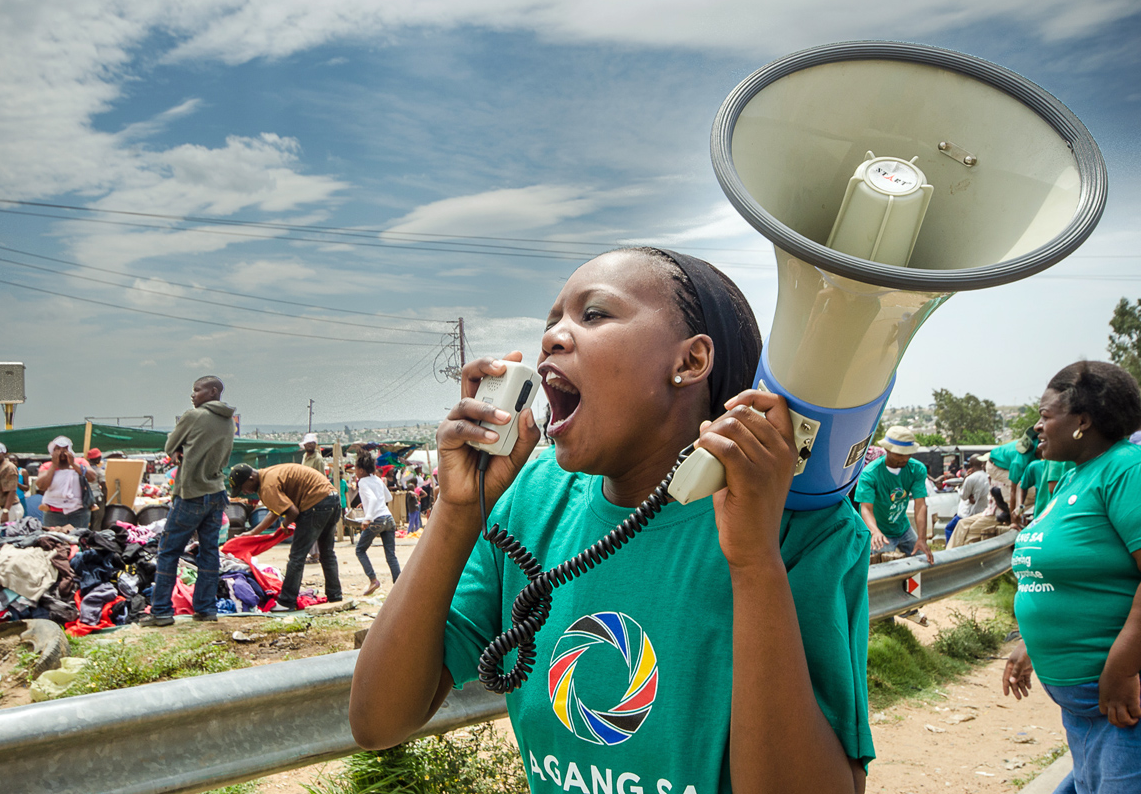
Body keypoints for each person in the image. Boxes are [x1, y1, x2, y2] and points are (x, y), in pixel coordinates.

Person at [349, 247, 874, 793]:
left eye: (594, 314)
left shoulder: (807, 527)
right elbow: (377, 721)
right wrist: (458, 510)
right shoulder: (529, 497)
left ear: (690, 362)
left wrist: (754, 559)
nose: (552, 336)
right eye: (552, 322)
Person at [1002, 360, 1141, 793]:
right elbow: (1068, 574)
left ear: (1082, 421)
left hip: (1120, 709)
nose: (1037, 428)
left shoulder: (1126, 470)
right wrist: (1033, 642)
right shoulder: (1074, 477)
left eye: (1045, 416)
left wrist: (1121, 669)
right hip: (1086, 713)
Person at [141, 375, 235, 627]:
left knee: (169, 551)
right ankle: (205, 608)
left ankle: (161, 610)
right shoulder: (229, 422)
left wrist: (181, 450)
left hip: (191, 493)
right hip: (216, 493)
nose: (192, 395)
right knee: (209, 552)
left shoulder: (194, 416)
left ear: (213, 391)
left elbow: (170, 444)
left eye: (197, 390)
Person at [230, 462, 343, 610]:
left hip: (316, 503)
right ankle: (335, 595)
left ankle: (286, 601)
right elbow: (275, 510)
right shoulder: (268, 474)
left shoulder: (267, 486)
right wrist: (253, 533)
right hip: (332, 498)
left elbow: (292, 512)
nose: (244, 492)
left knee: (297, 556)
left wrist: (284, 526)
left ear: (251, 478)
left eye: (242, 487)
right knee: (327, 552)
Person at [856, 426, 934, 563]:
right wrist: (875, 532)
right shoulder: (870, 474)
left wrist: (922, 538)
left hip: (903, 527)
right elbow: (866, 508)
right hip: (881, 530)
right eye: (899, 454)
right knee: (885, 565)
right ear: (887, 450)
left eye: (908, 454)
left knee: (922, 560)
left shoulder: (916, 469)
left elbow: (920, 505)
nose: (905, 459)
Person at [353, 450, 400, 597]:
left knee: (360, 550)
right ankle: (399, 587)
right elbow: (387, 497)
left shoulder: (362, 482)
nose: (354, 471)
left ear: (361, 470)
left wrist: (368, 517)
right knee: (391, 555)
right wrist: (365, 503)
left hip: (376, 519)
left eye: (355, 469)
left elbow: (373, 500)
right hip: (388, 517)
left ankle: (373, 580)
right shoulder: (377, 479)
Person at [35, 437, 96, 529]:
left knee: (78, 539)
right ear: (53, 451)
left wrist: (73, 464)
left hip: (79, 512)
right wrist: (54, 466)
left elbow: (92, 477)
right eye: (58, 449)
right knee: (54, 540)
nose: (62, 452)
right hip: (54, 513)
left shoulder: (80, 462)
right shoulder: (47, 466)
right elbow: (41, 486)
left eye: (65, 449)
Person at [943, 456, 990, 544]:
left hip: (968, 514)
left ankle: (950, 550)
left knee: (949, 528)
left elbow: (964, 496)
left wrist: (958, 489)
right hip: (982, 512)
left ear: (970, 465)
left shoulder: (971, 478)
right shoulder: (988, 476)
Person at [1017, 455, 1075, 526]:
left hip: (1046, 515)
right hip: (1049, 516)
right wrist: (1020, 506)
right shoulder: (1035, 466)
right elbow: (1022, 485)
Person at [299, 433, 327, 563]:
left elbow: (321, 478)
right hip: (305, 494)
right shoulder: (305, 457)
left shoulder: (318, 460)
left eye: (312, 443)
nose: (310, 445)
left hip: (314, 495)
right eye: (308, 443)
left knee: (312, 525)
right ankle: (313, 552)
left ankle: (316, 554)